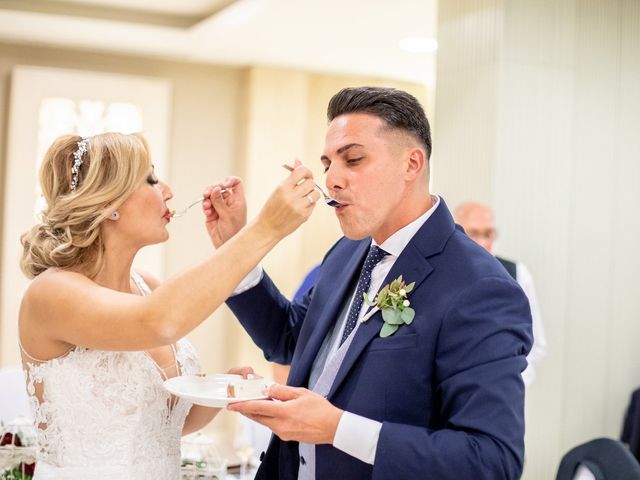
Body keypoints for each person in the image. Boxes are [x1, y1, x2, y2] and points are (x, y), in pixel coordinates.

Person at [218, 87, 533, 480]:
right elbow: (292, 340)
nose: (331, 181)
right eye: (327, 163)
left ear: (411, 164)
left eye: (353, 159)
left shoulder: (481, 288)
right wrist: (236, 251)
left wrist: (337, 429)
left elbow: (491, 460)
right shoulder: (348, 252)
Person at [18, 132, 319, 479]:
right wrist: (264, 229)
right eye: (150, 179)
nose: (168, 189)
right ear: (108, 204)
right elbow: (159, 322)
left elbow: (164, 424)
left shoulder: (147, 286)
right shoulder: (51, 293)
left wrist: (219, 394)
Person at [454, 202, 547, 385]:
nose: (483, 242)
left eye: (488, 234)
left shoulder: (517, 273)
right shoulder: (443, 272)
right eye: (473, 233)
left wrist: (509, 378)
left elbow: (536, 344)